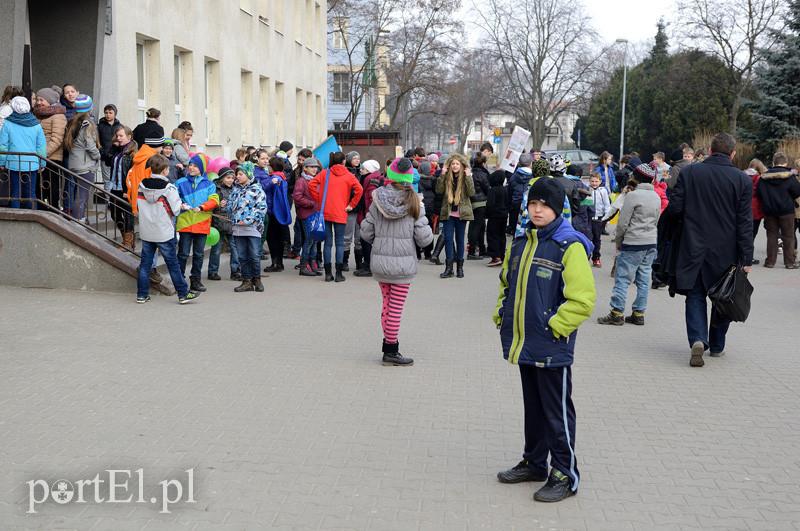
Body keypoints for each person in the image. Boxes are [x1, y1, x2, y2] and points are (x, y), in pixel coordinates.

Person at [493, 177, 595, 503]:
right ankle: (534, 462)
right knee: (533, 407)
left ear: (557, 208)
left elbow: (582, 300)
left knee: (557, 412)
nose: (537, 210)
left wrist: (556, 327)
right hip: (525, 342)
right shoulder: (522, 241)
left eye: (544, 205)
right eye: (533, 204)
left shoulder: (569, 245)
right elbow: (507, 283)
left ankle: (565, 473)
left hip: (551, 344)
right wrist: (502, 312)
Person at [666, 133, 753, 367]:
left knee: (695, 295)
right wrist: (747, 257)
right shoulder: (742, 180)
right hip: (726, 250)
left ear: (711, 151)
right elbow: (745, 222)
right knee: (724, 296)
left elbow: (675, 209)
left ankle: (697, 338)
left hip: (692, 245)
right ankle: (717, 345)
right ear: (733, 153)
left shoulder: (690, 172)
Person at [360, 158, 433, 366]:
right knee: (396, 309)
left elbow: (366, 232)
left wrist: (381, 243)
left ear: (390, 176)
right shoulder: (414, 203)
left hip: (381, 264)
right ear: (410, 177)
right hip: (403, 267)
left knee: (387, 306)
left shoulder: (377, 200)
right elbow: (424, 238)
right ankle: (391, 350)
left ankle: (388, 345)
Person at [597, 161, 662, 326]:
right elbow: (656, 220)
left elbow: (623, 223)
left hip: (633, 242)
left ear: (637, 178)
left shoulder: (633, 196)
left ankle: (616, 312)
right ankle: (639, 313)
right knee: (644, 279)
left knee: (623, 278)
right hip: (650, 243)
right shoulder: (656, 196)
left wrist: (618, 242)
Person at [135, 154, 199, 305]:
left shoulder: (141, 185)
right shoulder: (169, 188)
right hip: (164, 231)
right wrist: (184, 206)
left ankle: (142, 295)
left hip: (147, 230)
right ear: (164, 170)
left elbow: (140, 205)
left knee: (145, 264)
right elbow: (176, 210)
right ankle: (183, 294)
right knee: (173, 264)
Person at [309, 152, 363, 282]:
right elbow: (359, 189)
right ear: (344, 161)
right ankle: (339, 274)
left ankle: (328, 274)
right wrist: (351, 205)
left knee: (327, 244)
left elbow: (311, 185)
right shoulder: (349, 176)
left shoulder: (324, 173)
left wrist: (319, 199)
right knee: (339, 243)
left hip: (325, 212)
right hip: (341, 212)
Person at [175, 153, 220, 292]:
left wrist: (202, 207)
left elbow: (214, 200)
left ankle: (196, 280)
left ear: (202, 168)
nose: (192, 168)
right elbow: (174, 198)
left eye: (195, 166)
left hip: (202, 223)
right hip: (185, 223)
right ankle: (179, 280)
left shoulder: (209, 184)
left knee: (199, 254)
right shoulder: (180, 182)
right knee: (182, 253)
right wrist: (181, 204)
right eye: (190, 165)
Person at [227, 161, 267, 293]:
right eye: (237, 174)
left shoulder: (257, 189)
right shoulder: (235, 189)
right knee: (242, 256)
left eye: (240, 174)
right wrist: (226, 206)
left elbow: (261, 208)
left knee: (254, 255)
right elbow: (230, 207)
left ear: (248, 175)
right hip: (238, 228)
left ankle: (257, 279)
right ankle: (246, 281)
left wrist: (248, 220)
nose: (237, 177)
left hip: (253, 228)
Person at [0, 96, 46, 209]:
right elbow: (41, 147)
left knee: (15, 193)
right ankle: (32, 217)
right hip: (32, 163)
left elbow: (3, 145)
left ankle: (15, 217)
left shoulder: (7, 123)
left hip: (13, 162)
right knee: (30, 193)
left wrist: (2, 162)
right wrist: (42, 163)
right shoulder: (36, 124)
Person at [757, 151, 800, 269]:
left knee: (771, 235)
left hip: (769, 211)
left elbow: (759, 193)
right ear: (785, 163)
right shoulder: (790, 177)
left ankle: (770, 262)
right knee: (788, 236)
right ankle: (789, 263)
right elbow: (797, 191)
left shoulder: (763, 177)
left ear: (773, 162)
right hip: (786, 211)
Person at [436, 153, 475, 279]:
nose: (455, 166)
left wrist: (469, 176)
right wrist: (442, 174)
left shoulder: (466, 177)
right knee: (448, 239)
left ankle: (460, 268)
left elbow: (471, 192)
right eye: (453, 164)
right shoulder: (446, 177)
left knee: (460, 240)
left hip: (461, 214)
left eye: (457, 164)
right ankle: (448, 268)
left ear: (462, 166)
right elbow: (439, 190)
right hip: (448, 214)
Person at [64, 94, 100, 220]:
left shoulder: (72, 122)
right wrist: (98, 155)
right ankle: (78, 221)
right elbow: (90, 145)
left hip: (74, 163)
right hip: (85, 165)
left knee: (79, 195)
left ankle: (78, 219)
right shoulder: (88, 124)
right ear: (89, 108)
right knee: (82, 196)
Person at [32, 86, 67, 208]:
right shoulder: (37, 114)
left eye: (42, 100)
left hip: (51, 159)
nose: (38, 102)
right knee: (38, 188)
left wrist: (43, 154)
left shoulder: (58, 115)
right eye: (37, 99)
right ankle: (41, 210)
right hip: (38, 158)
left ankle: (53, 211)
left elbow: (57, 139)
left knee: (51, 188)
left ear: (50, 100)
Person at [208, 166, 240, 281]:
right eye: (228, 178)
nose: (230, 180)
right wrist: (217, 205)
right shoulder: (215, 189)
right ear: (222, 178)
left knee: (235, 248)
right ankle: (212, 271)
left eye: (232, 178)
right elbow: (210, 204)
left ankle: (235, 271)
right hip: (218, 223)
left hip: (232, 222)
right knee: (216, 249)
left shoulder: (236, 189)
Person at [293, 157, 323, 277]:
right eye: (311, 167)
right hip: (306, 214)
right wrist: (312, 203)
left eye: (316, 167)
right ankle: (304, 265)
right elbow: (297, 197)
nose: (314, 169)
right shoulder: (301, 181)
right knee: (309, 240)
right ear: (305, 168)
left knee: (314, 240)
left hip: (315, 214)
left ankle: (311, 264)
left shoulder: (315, 180)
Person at [108, 125, 137, 248]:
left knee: (128, 214)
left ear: (129, 137)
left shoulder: (133, 153)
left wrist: (129, 190)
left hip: (126, 188)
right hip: (115, 187)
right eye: (117, 136)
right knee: (114, 213)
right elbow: (106, 160)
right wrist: (113, 148)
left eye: (121, 136)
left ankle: (127, 242)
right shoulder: (118, 150)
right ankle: (127, 236)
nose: (118, 138)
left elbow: (133, 173)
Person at [261, 156, 292, 272]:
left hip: (272, 211)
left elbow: (265, 189)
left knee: (272, 238)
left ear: (272, 167)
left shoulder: (274, 178)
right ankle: (279, 263)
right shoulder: (282, 177)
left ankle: (275, 263)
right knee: (279, 238)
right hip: (280, 211)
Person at [355, 159, 385, 276]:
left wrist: (367, 217)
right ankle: (368, 264)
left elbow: (370, 201)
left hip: (369, 216)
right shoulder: (373, 178)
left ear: (369, 170)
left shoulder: (371, 181)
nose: (361, 170)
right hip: (369, 215)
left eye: (363, 169)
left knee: (365, 240)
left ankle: (368, 266)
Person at [342, 151, 362, 271]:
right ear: (349, 159)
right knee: (347, 237)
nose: (357, 160)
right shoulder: (345, 173)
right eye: (354, 158)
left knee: (359, 238)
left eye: (358, 158)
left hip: (359, 209)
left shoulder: (362, 172)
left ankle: (359, 263)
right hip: (349, 209)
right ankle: (344, 262)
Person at [467, 153, 490, 260]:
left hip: (472, 203)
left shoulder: (471, 173)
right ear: (483, 163)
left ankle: (481, 249)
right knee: (477, 228)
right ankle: (472, 251)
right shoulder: (483, 174)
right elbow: (487, 189)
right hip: (481, 203)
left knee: (478, 227)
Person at [745, 159, 766, 265]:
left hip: (743, 207)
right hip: (755, 208)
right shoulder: (759, 178)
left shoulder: (742, 175)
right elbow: (761, 193)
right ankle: (749, 257)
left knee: (743, 232)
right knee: (752, 233)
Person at [485, 169, 509, 267]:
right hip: (503, 215)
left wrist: (486, 214)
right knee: (501, 236)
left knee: (492, 235)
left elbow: (490, 204)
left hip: (494, 216)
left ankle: (495, 256)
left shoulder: (492, 190)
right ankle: (502, 255)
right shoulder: (505, 189)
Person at [588, 173, 611, 267]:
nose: (594, 183)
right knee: (587, 239)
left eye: (596, 181)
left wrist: (607, 219)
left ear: (600, 181)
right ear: (589, 181)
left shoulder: (603, 191)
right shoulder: (587, 190)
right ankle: (586, 257)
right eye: (592, 181)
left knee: (597, 240)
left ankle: (596, 258)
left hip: (598, 219)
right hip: (588, 219)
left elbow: (607, 205)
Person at [507, 152, 533, 234]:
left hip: (515, 206)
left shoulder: (513, 177)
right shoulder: (533, 176)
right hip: (529, 206)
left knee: (515, 231)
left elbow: (509, 193)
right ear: (530, 163)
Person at [97, 104, 121, 189]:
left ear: (115, 114)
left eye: (110, 113)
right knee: (107, 180)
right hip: (105, 156)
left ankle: (114, 200)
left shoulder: (119, 126)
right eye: (106, 112)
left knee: (116, 179)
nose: (108, 115)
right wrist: (101, 150)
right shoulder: (100, 126)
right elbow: (97, 140)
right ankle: (108, 201)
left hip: (116, 157)